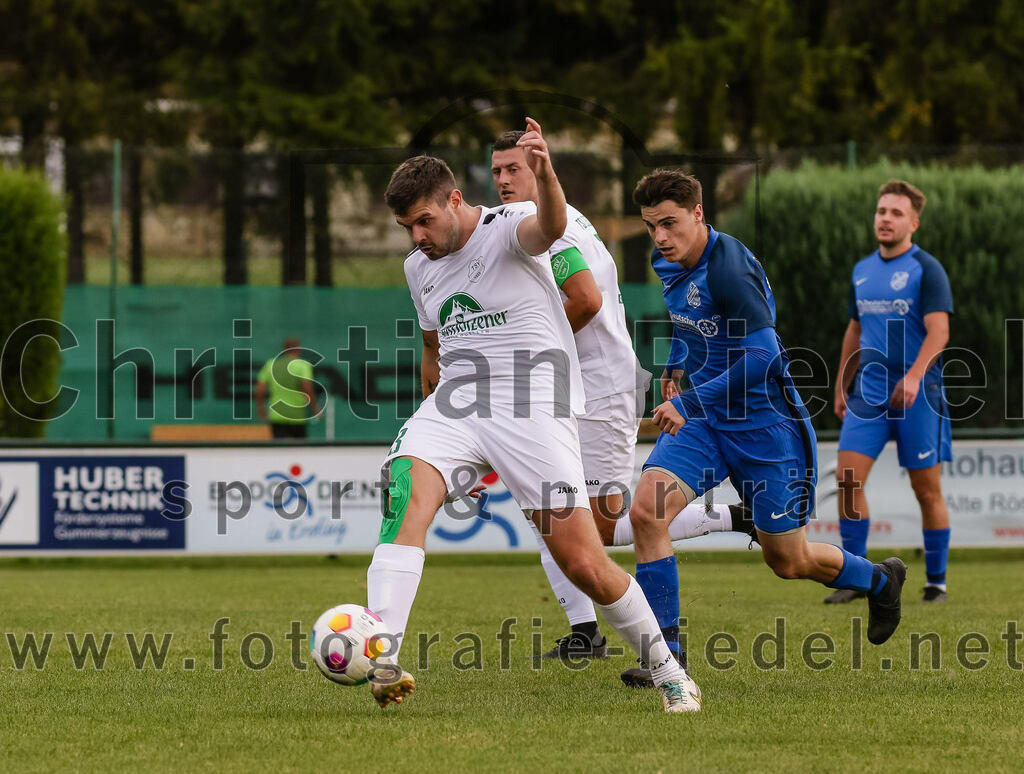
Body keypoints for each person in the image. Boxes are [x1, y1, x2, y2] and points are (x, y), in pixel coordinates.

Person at [365, 120, 701, 713]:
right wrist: (429, 386)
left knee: (586, 562)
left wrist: (545, 174)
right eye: (406, 228)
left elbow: (549, 225)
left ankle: (667, 668)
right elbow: (432, 342)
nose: (418, 237)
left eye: (424, 221)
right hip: (458, 405)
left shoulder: (505, 230)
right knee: (403, 492)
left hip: (531, 407)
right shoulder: (420, 266)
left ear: (453, 199)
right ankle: (381, 654)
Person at [620, 169, 908, 690]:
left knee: (788, 560)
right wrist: (677, 364)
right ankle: (667, 657)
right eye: (650, 226)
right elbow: (691, 322)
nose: (660, 237)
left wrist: (689, 396)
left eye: (669, 223)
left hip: (766, 427)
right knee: (647, 512)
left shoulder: (729, 268)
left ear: (699, 214)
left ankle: (881, 580)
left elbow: (764, 356)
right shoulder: (670, 262)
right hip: (706, 422)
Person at [490, 131, 755, 661]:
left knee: (606, 526)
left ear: (541, 168)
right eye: (496, 170)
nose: (501, 180)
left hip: (599, 390)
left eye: (514, 169)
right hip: (566, 387)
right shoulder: (547, 220)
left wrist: (521, 348)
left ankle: (734, 517)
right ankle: (585, 633)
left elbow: (584, 301)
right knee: (547, 509)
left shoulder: (554, 232)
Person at [827, 180, 953, 605]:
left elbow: (940, 331)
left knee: (927, 490)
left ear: (913, 223)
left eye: (896, 213)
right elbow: (855, 330)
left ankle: (936, 583)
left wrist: (916, 376)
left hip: (920, 395)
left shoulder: (926, 269)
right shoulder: (862, 270)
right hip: (870, 393)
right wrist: (843, 384)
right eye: (882, 211)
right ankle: (855, 577)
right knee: (847, 480)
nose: (886, 218)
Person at [255, 338, 318, 439]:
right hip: (297, 415)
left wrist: (261, 408)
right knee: (300, 452)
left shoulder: (271, 364)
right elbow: (307, 388)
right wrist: (314, 408)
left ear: (284, 348)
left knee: (280, 452)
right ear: (299, 349)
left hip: (277, 415)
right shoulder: (302, 365)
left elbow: (260, 389)